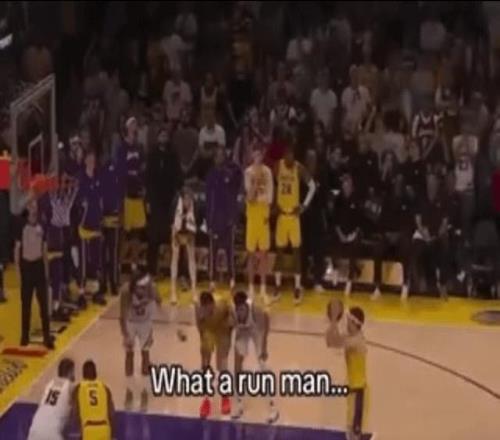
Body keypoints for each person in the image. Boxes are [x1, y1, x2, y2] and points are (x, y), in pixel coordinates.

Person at [273, 144, 316, 304]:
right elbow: (272, 184)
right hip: (281, 216)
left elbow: (312, 186)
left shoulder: (299, 168)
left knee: (297, 253)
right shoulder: (278, 166)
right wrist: (274, 202)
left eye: (291, 156)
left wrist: (304, 205)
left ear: (294, 156)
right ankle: (277, 286)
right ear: (284, 155)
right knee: (279, 252)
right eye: (286, 155)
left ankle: (297, 287)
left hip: (293, 216)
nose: (289, 158)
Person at [231, 291, 278, 423]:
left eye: (242, 309)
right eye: (238, 310)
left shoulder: (256, 310)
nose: (240, 312)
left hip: (257, 329)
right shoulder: (232, 311)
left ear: (246, 306)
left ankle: (273, 407)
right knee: (237, 367)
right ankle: (239, 404)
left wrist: (264, 346)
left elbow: (267, 321)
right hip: (242, 332)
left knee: (263, 365)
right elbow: (232, 326)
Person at [120, 269, 161, 411]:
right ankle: (129, 390)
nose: (143, 290)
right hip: (130, 321)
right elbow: (122, 316)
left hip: (145, 322)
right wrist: (126, 335)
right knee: (129, 354)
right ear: (134, 286)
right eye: (140, 288)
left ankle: (144, 391)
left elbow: (159, 303)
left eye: (145, 288)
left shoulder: (152, 288)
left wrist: (152, 329)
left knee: (145, 354)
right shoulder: (126, 292)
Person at [15, 200, 54, 349]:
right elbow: (17, 249)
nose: (33, 209)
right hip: (26, 267)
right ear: (27, 208)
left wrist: (46, 272)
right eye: (30, 207)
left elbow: (44, 250)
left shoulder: (42, 225)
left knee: (43, 305)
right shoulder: (21, 225)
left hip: (38, 267)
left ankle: (47, 337)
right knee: (26, 305)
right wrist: (18, 271)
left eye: (35, 206)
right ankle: (24, 336)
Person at [326, 302, 368, 440]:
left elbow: (336, 342)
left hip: (358, 390)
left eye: (348, 321)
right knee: (350, 431)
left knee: (353, 432)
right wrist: (332, 322)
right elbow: (330, 342)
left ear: (355, 323)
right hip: (352, 388)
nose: (346, 323)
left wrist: (333, 320)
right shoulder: (351, 336)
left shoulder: (357, 341)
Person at [145, 126, 183, 277]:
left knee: (174, 236)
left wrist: (177, 196)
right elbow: (148, 179)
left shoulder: (173, 155)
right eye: (161, 135)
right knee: (153, 237)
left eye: (165, 135)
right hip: (155, 201)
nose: (163, 138)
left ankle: (178, 271)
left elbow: (178, 177)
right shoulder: (152, 155)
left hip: (170, 202)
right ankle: (151, 270)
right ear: (157, 138)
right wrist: (148, 200)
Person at [206, 147, 242, 289]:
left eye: (222, 155)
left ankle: (232, 279)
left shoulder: (231, 173)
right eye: (218, 155)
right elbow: (209, 200)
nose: (220, 158)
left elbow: (238, 179)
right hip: (215, 219)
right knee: (213, 251)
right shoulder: (211, 175)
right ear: (214, 158)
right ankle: (212, 280)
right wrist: (208, 222)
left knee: (230, 250)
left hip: (228, 219)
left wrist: (233, 218)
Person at [45, 173, 78, 321]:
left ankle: (61, 300)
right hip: (55, 233)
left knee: (66, 269)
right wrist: (57, 179)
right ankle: (55, 306)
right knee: (56, 272)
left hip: (65, 232)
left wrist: (69, 181)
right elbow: (51, 188)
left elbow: (75, 188)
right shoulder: (54, 199)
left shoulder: (67, 199)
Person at [196, 291, 233, 418]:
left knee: (222, 366)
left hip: (222, 330)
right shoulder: (198, 309)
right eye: (204, 308)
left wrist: (228, 329)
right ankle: (206, 399)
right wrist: (204, 353)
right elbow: (200, 329)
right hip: (209, 331)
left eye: (208, 308)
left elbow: (232, 317)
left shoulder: (222, 305)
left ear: (213, 304)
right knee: (205, 366)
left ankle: (225, 397)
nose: (206, 311)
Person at [116, 117, 146, 273]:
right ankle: (119, 263)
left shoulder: (139, 147)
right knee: (125, 232)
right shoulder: (122, 148)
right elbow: (120, 171)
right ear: (127, 128)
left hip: (137, 194)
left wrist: (142, 186)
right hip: (126, 194)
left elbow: (142, 168)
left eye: (136, 124)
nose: (135, 126)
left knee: (137, 232)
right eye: (133, 124)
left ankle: (135, 264)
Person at [76, 150, 106, 306]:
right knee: (83, 262)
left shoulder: (98, 177)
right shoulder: (81, 179)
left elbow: (101, 199)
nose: (92, 161)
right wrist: (82, 206)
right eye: (89, 158)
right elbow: (77, 200)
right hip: (84, 225)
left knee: (96, 260)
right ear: (85, 160)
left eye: (94, 159)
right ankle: (81, 293)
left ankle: (95, 292)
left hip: (96, 224)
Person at [244, 149, 273, 302]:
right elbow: (250, 197)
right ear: (252, 156)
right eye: (255, 154)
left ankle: (262, 289)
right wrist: (255, 181)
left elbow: (270, 197)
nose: (258, 157)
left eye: (260, 154)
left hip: (263, 215)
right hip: (252, 216)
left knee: (263, 255)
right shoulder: (248, 172)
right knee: (250, 254)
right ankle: (251, 288)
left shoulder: (268, 172)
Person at [27, 358, 75, 440]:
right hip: (51, 433)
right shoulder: (70, 386)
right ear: (70, 372)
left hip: (34, 430)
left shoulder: (50, 384)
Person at [74, 360, 115, 440]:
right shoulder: (105, 388)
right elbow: (111, 414)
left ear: (83, 374)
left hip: (88, 429)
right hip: (105, 429)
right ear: (96, 373)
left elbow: (75, 413)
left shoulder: (79, 388)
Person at [170, 187, 197, 304]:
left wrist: (190, 235)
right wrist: (175, 235)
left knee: (191, 258)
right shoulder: (175, 204)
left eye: (189, 199)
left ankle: (194, 291)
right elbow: (172, 223)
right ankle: (173, 292)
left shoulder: (194, 206)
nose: (188, 202)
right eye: (186, 199)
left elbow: (196, 223)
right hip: (177, 228)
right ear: (182, 198)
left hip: (189, 229)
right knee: (175, 257)